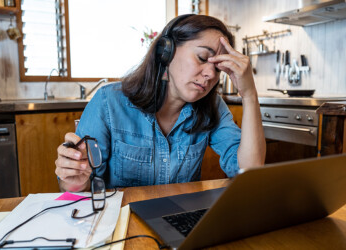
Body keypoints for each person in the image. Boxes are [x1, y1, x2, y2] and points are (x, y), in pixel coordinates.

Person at [55, 14, 266, 192]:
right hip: (121, 225)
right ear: (166, 52)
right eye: (202, 58)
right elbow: (82, 188)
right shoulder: (109, 102)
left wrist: (249, 94)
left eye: (218, 68)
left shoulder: (213, 107)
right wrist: (73, 180)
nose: (211, 74)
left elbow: (249, 171)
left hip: (180, 225)